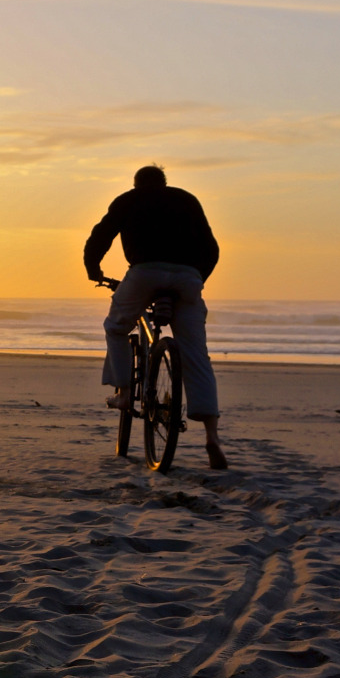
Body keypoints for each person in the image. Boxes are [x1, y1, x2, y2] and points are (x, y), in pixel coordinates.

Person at [85, 164, 229, 470]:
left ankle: (124, 393)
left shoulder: (129, 199)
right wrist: (196, 278)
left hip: (144, 273)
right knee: (196, 355)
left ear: (137, 184)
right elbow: (212, 248)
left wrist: (93, 269)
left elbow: (101, 235)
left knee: (117, 327)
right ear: (164, 183)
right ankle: (212, 437)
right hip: (187, 277)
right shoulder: (187, 199)